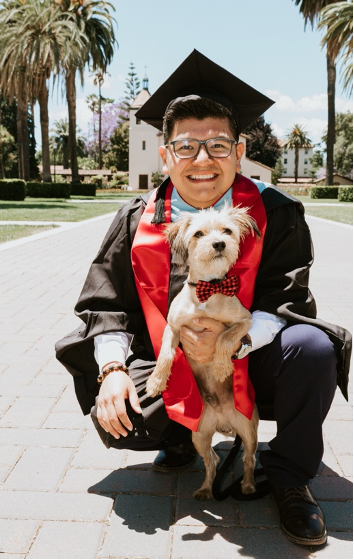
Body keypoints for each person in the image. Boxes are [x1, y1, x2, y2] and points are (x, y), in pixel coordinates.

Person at [56, 50, 351, 547]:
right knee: (120, 421)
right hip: (172, 364)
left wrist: (228, 341)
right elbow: (103, 301)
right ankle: (178, 436)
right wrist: (110, 373)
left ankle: (288, 475)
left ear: (238, 151)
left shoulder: (275, 212)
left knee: (313, 348)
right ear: (165, 155)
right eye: (186, 146)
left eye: (217, 145)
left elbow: (288, 300)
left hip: (252, 361)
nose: (202, 160)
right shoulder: (137, 220)